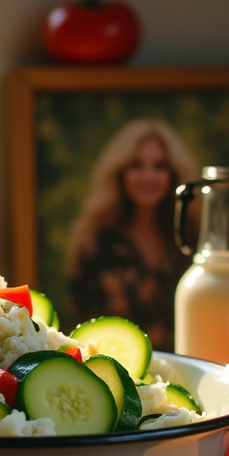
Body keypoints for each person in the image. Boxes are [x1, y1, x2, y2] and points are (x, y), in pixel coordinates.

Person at [66, 119, 199, 351]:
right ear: (120, 172)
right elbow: (80, 322)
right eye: (136, 165)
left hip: (187, 363)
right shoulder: (96, 242)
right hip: (116, 364)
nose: (148, 176)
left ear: (173, 174)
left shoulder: (192, 237)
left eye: (159, 166)